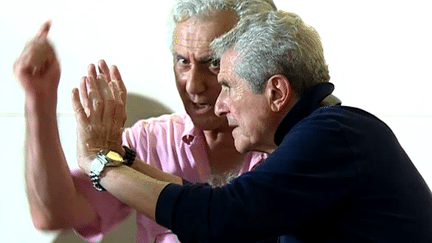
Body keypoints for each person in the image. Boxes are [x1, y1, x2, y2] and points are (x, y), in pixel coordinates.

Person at [69, 8, 432, 243]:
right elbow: (213, 202)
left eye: (227, 85)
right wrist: (121, 160)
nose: (220, 103)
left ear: (276, 92)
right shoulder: (324, 133)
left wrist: (100, 164)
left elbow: (220, 218)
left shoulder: (333, 134)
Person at [13, 0, 280, 242]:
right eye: (183, 61)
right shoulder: (150, 142)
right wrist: (39, 98)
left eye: (213, 63)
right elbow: (54, 214)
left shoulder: (297, 144)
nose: (193, 85)